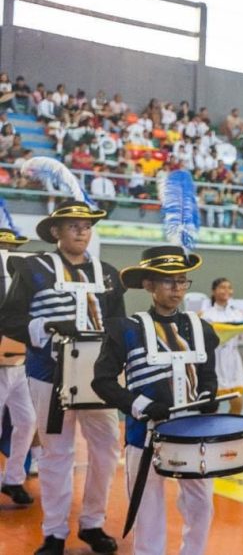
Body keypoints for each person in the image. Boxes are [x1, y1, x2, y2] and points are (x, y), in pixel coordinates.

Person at [0, 200, 125, 555]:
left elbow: (119, 327)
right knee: (56, 452)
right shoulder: (33, 267)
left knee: (105, 451)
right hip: (47, 374)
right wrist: (46, 325)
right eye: (73, 225)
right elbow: (8, 320)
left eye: (86, 225)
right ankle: (54, 532)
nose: (82, 230)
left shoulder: (110, 274)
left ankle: (92, 524)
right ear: (55, 231)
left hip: (100, 378)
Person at [91, 246, 219, 555]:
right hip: (143, 435)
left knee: (201, 506)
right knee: (147, 512)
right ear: (148, 285)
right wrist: (141, 406)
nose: (177, 288)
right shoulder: (127, 329)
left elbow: (208, 376)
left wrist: (208, 396)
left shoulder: (200, 327)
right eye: (167, 281)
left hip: (193, 433)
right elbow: (102, 381)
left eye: (182, 280)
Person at [0, 225, 35, 506]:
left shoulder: (22, 278)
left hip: (19, 364)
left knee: (27, 421)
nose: (6, 251)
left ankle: (13, 479)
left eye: (10, 247)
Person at [200, 277, 243, 414]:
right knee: (212, 404)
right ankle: (212, 431)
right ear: (214, 291)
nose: (226, 290)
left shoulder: (237, 314)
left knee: (237, 402)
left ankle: (232, 430)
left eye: (229, 287)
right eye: (222, 287)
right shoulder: (206, 315)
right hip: (214, 360)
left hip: (233, 360)